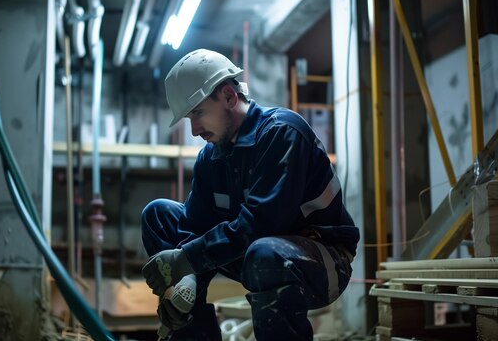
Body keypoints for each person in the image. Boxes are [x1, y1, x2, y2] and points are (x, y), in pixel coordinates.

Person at [141, 48, 359, 341]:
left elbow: (262, 223)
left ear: (229, 96)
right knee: (159, 215)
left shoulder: (282, 133)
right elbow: (193, 227)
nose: (193, 130)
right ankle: (192, 334)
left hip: (324, 263)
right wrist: (185, 283)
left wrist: (186, 260)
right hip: (257, 254)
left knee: (263, 252)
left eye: (198, 113)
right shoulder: (211, 156)